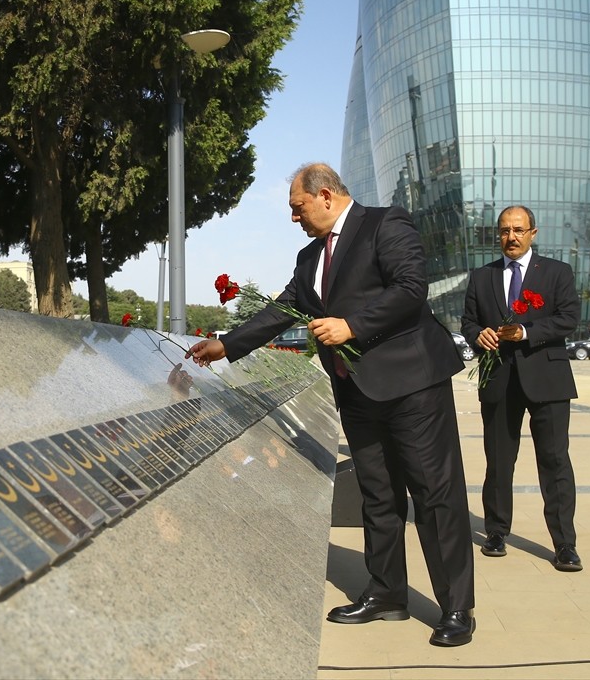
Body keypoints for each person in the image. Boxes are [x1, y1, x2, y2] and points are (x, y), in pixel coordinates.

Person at [185, 163, 475, 648]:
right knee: (378, 497)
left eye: (297, 208)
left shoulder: (386, 224)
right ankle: (386, 594)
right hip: (358, 391)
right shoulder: (308, 257)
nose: (294, 219)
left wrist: (351, 325)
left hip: (412, 387)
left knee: (433, 496)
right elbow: (284, 309)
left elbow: (410, 290)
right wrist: (226, 345)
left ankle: (457, 608)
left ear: (323, 195)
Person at [460, 205, 582, 572]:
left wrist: (527, 332)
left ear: (533, 232)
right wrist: (477, 335)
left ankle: (564, 544)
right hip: (498, 378)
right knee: (498, 461)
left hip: (547, 378)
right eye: (503, 231)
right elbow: (467, 321)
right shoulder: (482, 277)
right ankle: (496, 532)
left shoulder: (558, 272)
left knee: (555, 461)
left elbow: (569, 318)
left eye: (517, 230)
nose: (510, 237)